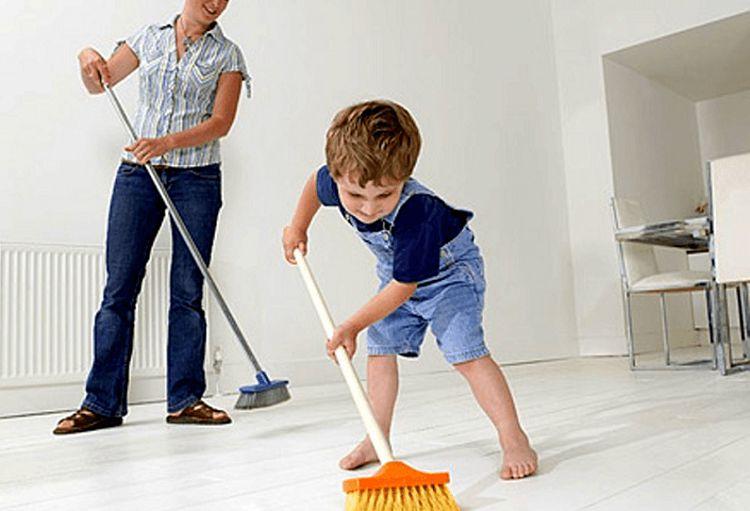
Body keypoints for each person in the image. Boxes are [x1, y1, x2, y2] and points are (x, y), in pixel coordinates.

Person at [282, 100, 538, 479]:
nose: (369, 209)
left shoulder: (418, 212)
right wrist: (298, 227)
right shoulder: (339, 179)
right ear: (338, 178)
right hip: (398, 275)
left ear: (404, 177)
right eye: (355, 197)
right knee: (381, 350)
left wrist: (351, 325)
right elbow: (314, 187)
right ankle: (376, 437)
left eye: (384, 196)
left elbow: (405, 287)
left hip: (449, 276)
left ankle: (512, 435)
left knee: (465, 353)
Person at [54, 0, 250, 434]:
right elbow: (100, 83)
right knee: (118, 289)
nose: (216, 3)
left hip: (197, 177)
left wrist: (166, 142)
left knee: (187, 290)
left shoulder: (228, 55)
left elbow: (221, 123)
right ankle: (101, 403)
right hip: (138, 175)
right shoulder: (148, 38)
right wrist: (86, 57)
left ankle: (185, 400)